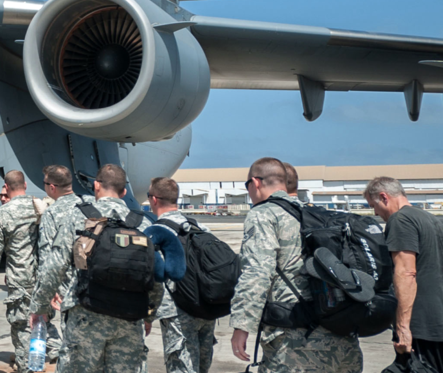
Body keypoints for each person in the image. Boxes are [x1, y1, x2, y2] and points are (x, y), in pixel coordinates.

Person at [229, 157, 362, 372]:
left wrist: (242, 325)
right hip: (341, 335)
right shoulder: (316, 215)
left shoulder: (264, 214)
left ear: (256, 183)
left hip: (295, 342)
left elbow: (257, 272)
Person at [29, 164, 162, 373]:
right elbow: (156, 277)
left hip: (86, 315)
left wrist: (39, 307)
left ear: (96, 186)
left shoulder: (79, 217)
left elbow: (54, 266)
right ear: (124, 191)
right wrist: (148, 315)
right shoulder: (142, 224)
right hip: (129, 318)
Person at [0, 171, 58, 372]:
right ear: (25, 184)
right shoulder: (41, 207)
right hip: (44, 278)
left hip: (19, 280)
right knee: (42, 323)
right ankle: (45, 357)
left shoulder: (2, 213)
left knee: (23, 327)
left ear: (6, 187)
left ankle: (29, 367)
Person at [365, 176, 443, 370]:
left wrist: (403, 326)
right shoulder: (430, 219)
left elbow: (406, 273)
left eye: (373, 205)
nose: (375, 212)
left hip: (422, 322)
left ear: (384, 197)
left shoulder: (400, 220)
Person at [148, 177, 216, 373]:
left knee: (181, 367)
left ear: (154, 199)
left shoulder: (157, 232)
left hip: (178, 312)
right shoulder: (199, 227)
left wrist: (148, 315)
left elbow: (155, 278)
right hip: (206, 307)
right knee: (202, 367)